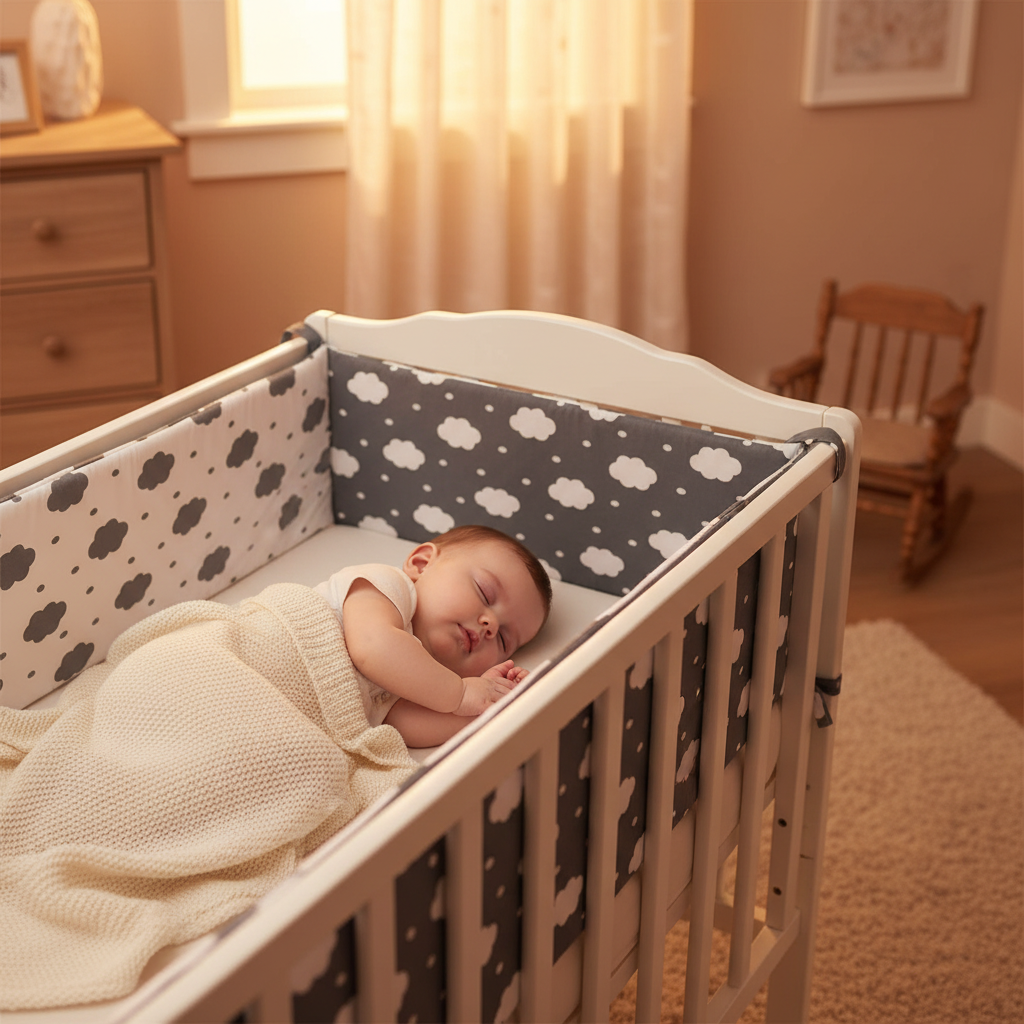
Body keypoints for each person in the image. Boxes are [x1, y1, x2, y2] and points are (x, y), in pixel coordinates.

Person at [316, 525, 552, 748]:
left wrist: (485, 706)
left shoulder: (421, 686)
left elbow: (400, 726)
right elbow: (372, 646)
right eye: (485, 593)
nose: (490, 625)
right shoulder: (386, 586)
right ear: (421, 564)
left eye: (503, 639)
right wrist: (461, 694)